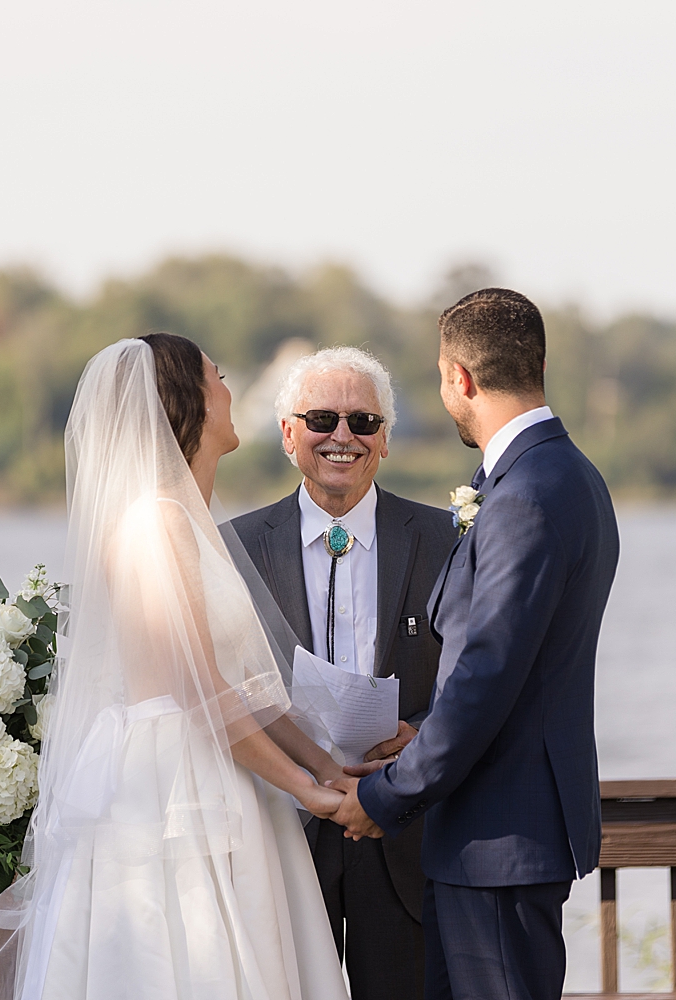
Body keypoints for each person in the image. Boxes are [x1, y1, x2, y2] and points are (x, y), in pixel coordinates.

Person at [0, 334, 352, 1000]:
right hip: (175, 784)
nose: (229, 389)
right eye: (217, 377)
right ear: (188, 401)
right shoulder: (156, 524)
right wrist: (306, 790)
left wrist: (328, 766)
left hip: (217, 768)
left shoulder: (185, 520)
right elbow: (203, 694)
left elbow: (246, 689)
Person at [329, 290, 621, 1000]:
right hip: (490, 840)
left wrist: (388, 794)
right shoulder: (562, 476)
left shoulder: (525, 496)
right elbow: (519, 668)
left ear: (459, 378)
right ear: (538, 362)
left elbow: (487, 674)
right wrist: (418, 733)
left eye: (439, 376)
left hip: (499, 843)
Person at [230, 347, 457, 1000]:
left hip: (402, 832)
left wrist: (425, 735)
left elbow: (476, 676)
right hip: (283, 835)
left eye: (362, 422)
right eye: (323, 418)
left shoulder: (446, 539)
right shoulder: (234, 548)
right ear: (287, 433)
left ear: (384, 439)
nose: (342, 437)